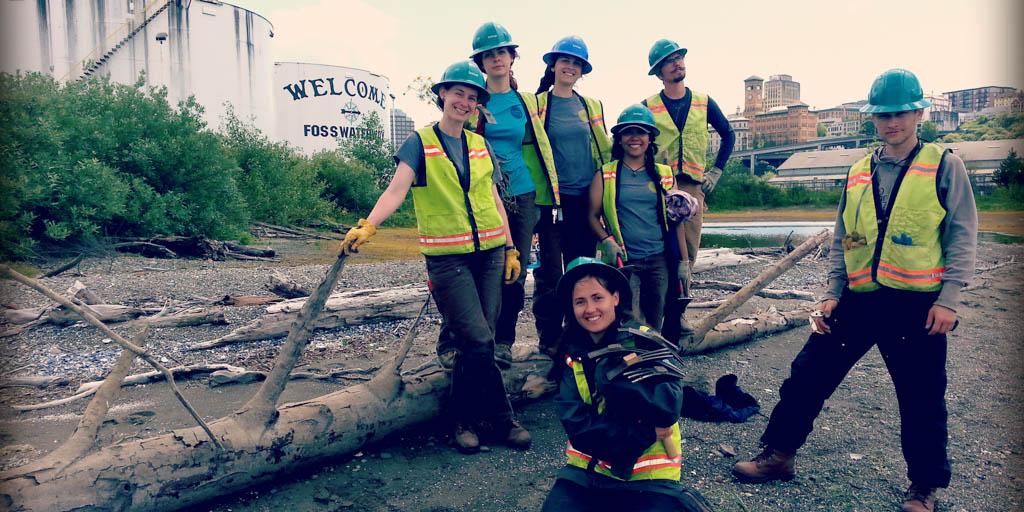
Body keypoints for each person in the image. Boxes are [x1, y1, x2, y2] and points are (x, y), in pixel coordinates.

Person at [731, 69, 977, 512]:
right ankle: (778, 456)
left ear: (918, 112)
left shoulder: (944, 165)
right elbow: (850, 235)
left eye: (900, 113)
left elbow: (961, 235)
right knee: (807, 376)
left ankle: (924, 487)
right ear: (874, 118)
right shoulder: (860, 170)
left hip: (917, 305)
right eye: (883, 114)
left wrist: (949, 299)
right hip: (859, 300)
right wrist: (832, 290)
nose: (892, 122)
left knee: (921, 398)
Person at [343, 60, 531, 454]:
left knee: (481, 339)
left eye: (472, 96)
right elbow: (396, 190)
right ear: (442, 94)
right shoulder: (420, 142)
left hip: (492, 254)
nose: (464, 101)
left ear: (477, 104)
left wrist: (513, 248)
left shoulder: (481, 145)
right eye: (458, 93)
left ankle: (471, 419)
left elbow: (495, 198)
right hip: (448, 259)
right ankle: (494, 417)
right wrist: (369, 224)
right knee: (478, 339)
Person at [540, 257, 713, 512]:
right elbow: (578, 428)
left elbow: (667, 409)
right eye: (580, 301)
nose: (590, 309)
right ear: (572, 307)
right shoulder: (570, 354)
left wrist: (618, 379)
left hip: (649, 477)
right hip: (586, 473)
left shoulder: (647, 342)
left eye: (597, 297)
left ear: (616, 298)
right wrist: (645, 432)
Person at [457, 21, 560, 368]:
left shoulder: (526, 102)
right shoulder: (470, 101)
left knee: (514, 270)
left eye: (501, 52)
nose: (496, 58)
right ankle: (475, 339)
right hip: (481, 196)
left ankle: (504, 341)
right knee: (481, 267)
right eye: (489, 54)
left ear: (512, 57)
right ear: (480, 63)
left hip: (522, 194)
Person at [641, 39, 735, 342]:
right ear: (659, 72)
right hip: (658, 188)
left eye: (679, 57)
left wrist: (716, 171)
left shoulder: (703, 101)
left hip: (692, 187)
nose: (677, 63)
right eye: (669, 61)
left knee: (688, 254)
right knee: (657, 251)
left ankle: (677, 316)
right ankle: (650, 317)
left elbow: (728, 134)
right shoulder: (648, 106)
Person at [532, 35, 613, 357]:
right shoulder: (537, 104)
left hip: (584, 202)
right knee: (550, 275)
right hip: (551, 202)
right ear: (553, 65)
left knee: (583, 271)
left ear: (582, 70)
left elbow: (604, 149)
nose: (570, 67)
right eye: (565, 60)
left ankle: (582, 337)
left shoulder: (591, 106)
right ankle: (550, 341)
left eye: (577, 63)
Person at [587, 105, 686, 330]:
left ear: (650, 138)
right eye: (628, 132)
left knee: (654, 316)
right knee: (625, 317)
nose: (634, 137)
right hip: (624, 260)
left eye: (641, 132)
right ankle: (628, 359)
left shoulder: (665, 175)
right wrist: (606, 240)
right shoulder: (605, 174)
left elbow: (677, 221)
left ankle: (652, 360)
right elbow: (592, 216)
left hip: (658, 260)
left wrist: (684, 262)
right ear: (619, 138)